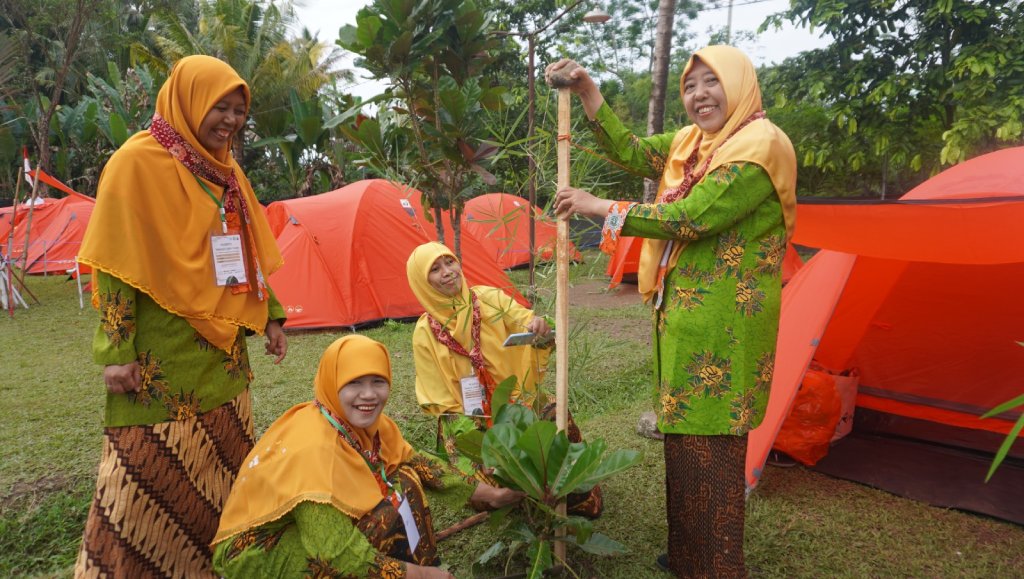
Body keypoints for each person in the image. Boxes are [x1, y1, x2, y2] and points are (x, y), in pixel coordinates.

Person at [549, 45, 797, 578]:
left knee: (714, 443)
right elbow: (635, 151)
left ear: (739, 84)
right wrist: (589, 91)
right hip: (681, 313)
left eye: (711, 82)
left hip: (727, 322)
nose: (699, 95)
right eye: (690, 86)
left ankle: (716, 564)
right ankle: (689, 554)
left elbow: (690, 218)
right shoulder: (694, 142)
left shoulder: (759, 148)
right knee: (684, 436)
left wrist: (600, 208)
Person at [75, 55, 288, 578]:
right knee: (144, 478)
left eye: (239, 111)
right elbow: (114, 266)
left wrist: (272, 316)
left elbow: (248, 247)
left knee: (223, 475)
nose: (231, 121)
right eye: (221, 107)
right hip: (159, 359)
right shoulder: (134, 163)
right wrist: (115, 353)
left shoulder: (224, 170)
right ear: (189, 99)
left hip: (223, 361)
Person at [212, 335, 462, 578]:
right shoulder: (313, 448)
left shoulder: (366, 426)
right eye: (354, 383)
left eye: (378, 381)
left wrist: (484, 492)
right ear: (332, 383)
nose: (368, 395)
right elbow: (333, 552)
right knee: (363, 537)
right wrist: (419, 576)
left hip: (308, 531)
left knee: (404, 479)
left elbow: (418, 463)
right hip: (259, 550)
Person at [405, 241, 602, 517]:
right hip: (467, 416)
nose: (447, 272)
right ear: (422, 283)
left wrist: (538, 326)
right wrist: (481, 437)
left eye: (449, 262)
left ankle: (579, 496)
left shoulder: (488, 299)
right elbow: (440, 399)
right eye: (435, 270)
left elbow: (526, 321)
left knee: (554, 414)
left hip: (517, 397)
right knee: (472, 466)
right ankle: (509, 499)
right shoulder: (424, 333)